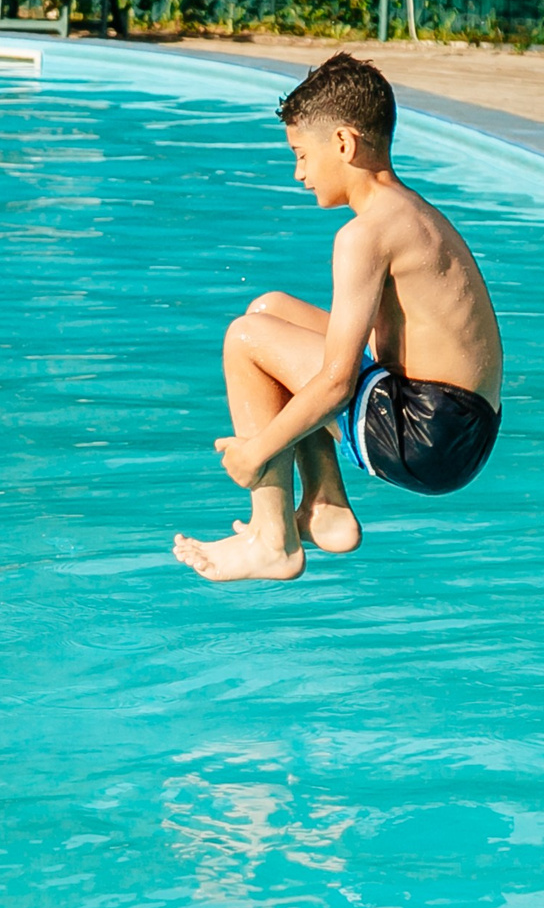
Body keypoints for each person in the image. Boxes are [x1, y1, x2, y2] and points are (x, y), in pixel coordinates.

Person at [173, 53, 504, 582]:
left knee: (245, 339)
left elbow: (335, 383)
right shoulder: (411, 213)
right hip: (460, 430)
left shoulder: (364, 235)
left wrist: (254, 452)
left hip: (427, 432)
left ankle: (271, 539)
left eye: (302, 155)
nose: (298, 172)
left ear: (344, 144)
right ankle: (325, 506)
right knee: (270, 310)